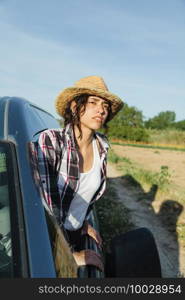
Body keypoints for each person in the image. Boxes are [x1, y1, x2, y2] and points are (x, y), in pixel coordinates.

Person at [36, 75, 124, 272]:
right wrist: (70, 256)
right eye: (93, 102)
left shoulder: (102, 147)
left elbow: (84, 194)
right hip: (47, 243)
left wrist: (81, 221)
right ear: (75, 106)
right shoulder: (51, 141)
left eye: (105, 106)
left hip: (75, 235)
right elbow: (45, 212)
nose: (102, 110)